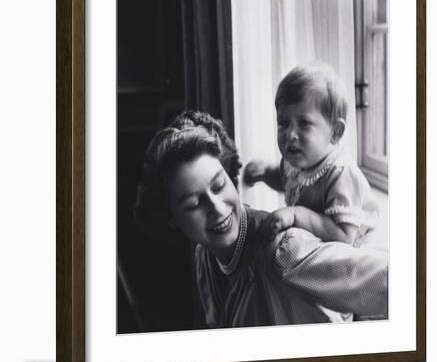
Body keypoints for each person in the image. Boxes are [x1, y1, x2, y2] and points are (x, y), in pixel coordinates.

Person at [135, 110, 387, 328]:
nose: (216, 207)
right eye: (193, 204)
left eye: (219, 185)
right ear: (172, 218)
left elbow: (394, 279)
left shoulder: (285, 251)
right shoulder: (205, 257)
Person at [244, 63, 379, 246]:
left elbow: (344, 236)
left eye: (304, 123)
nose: (291, 134)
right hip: (317, 244)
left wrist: (296, 215)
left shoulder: (340, 173)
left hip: (352, 257)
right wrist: (265, 173)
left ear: (335, 132)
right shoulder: (297, 159)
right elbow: (286, 181)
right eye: (284, 123)